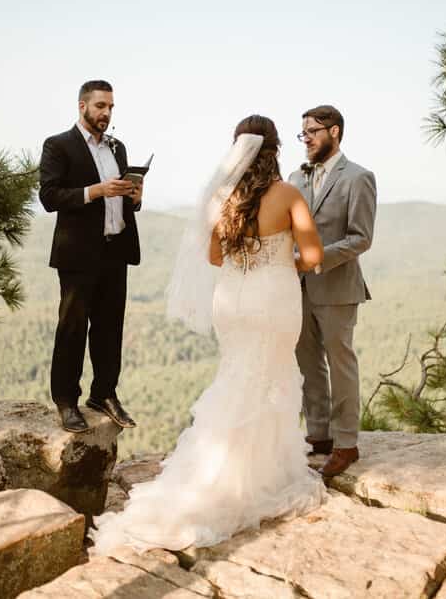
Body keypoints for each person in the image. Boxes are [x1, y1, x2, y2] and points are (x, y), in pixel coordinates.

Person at [91, 115, 327, 555]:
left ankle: (215, 468)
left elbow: (216, 256)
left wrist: (248, 259)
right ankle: (261, 476)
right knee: (271, 377)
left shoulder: (222, 198)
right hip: (273, 299)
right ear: (275, 150)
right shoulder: (290, 194)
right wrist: (280, 263)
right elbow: (312, 255)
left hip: (231, 301)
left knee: (237, 376)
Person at [38, 80, 143, 433]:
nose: (107, 113)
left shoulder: (118, 147)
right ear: (82, 106)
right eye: (100, 106)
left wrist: (135, 196)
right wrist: (96, 191)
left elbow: (125, 202)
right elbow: (50, 197)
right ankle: (66, 401)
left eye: (111, 107)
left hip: (115, 249)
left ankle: (104, 394)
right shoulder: (58, 145)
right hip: (78, 253)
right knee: (72, 328)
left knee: (110, 328)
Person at [289, 105, 377, 478]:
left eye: (312, 131)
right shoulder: (295, 177)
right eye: (303, 132)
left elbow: (361, 238)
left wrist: (316, 258)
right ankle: (319, 435)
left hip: (338, 286)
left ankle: (346, 444)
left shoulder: (358, 177)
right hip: (297, 288)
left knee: (341, 366)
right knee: (308, 364)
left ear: (335, 132)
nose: (306, 138)